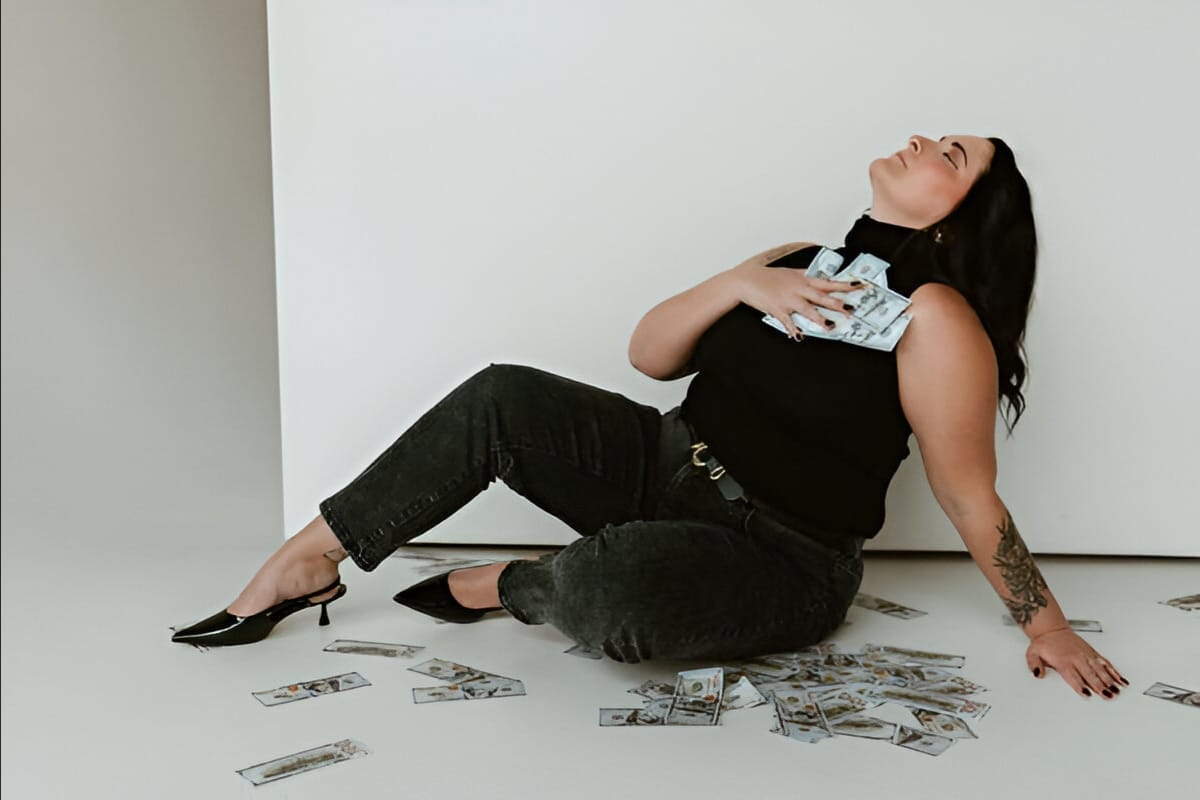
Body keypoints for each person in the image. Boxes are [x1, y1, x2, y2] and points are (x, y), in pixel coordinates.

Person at [173, 133, 1129, 701]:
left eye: (950, 154)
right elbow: (651, 356)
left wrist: (1047, 627)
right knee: (505, 394)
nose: (921, 139)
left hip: (781, 553)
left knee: (615, 598)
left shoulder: (937, 317)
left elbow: (966, 493)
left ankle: (512, 585)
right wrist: (741, 281)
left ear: (957, 220)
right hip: (666, 459)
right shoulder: (799, 257)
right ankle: (308, 561)